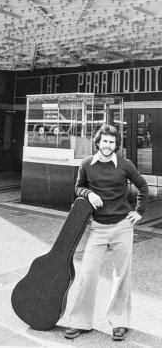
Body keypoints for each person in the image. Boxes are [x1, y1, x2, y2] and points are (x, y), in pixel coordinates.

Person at [63, 124, 147, 341]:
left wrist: (139, 212)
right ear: (98, 142)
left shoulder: (125, 165)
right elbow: (78, 187)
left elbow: (142, 185)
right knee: (88, 274)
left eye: (112, 142)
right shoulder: (87, 164)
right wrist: (89, 194)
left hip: (122, 227)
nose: (108, 145)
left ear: (116, 144)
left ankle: (119, 322)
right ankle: (79, 321)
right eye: (104, 141)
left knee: (121, 276)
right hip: (98, 229)